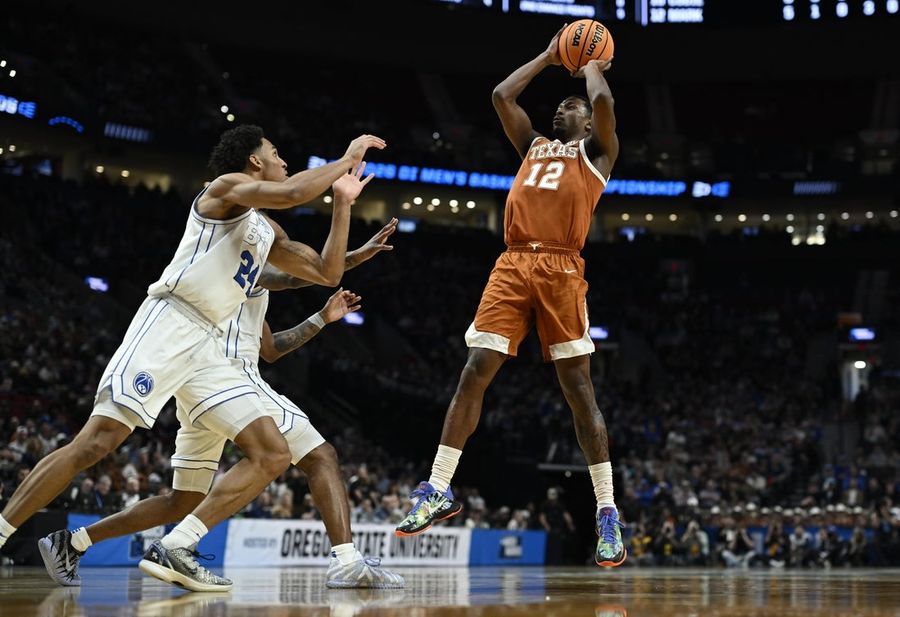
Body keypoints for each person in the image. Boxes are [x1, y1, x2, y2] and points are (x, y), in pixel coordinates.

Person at [0, 124, 384, 591]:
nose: (284, 159)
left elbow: (326, 271)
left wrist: (342, 204)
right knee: (96, 442)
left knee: (268, 455)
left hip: (208, 349)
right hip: (171, 322)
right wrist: (346, 158)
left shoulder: (267, 230)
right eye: (277, 152)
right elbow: (290, 191)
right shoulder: (223, 190)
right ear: (255, 161)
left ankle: (152, 545)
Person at [38, 224, 404, 590]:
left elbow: (271, 349)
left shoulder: (244, 284)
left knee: (182, 501)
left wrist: (322, 318)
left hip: (218, 385)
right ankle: (184, 546)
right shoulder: (234, 261)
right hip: (221, 376)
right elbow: (295, 279)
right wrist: (352, 257)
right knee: (304, 455)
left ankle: (73, 542)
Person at [394, 26, 624, 567]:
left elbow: (606, 101)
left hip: (562, 268)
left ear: (588, 123)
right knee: (474, 370)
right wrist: (550, 55)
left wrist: (590, 63)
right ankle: (438, 487)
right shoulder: (534, 147)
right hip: (513, 263)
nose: (564, 107)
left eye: (574, 106)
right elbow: (501, 95)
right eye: (562, 105)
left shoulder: (597, 155)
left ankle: (607, 511)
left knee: (578, 391)